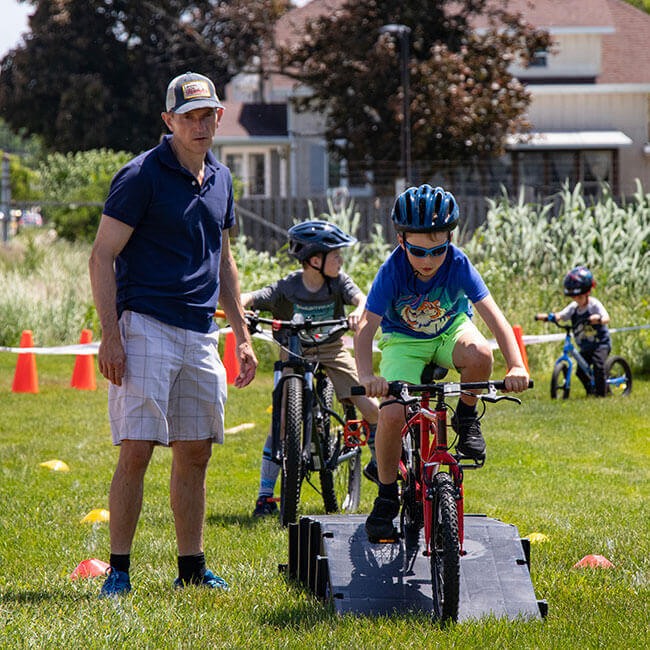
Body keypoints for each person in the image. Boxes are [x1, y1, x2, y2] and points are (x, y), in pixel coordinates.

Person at [89, 71, 257, 597]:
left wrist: (243, 335)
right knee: (137, 448)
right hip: (144, 328)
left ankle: (191, 570)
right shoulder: (140, 176)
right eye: (189, 117)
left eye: (208, 115)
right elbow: (101, 256)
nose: (200, 124)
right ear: (169, 121)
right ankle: (118, 572)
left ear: (219, 117)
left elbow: (223, 262)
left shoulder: (222, 180)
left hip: (201, 332)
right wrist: (110, 335)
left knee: (195, 452)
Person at [354, 184, 530, 541]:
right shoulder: (391, 271)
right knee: (390, 414)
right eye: (418, 251)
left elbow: (494, 317)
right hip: (404, 340)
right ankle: (387, 494)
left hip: (450, 330)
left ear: (451, 238)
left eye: (438, 250)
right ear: (402, 242)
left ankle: (465, 416)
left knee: (482, 355)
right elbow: (364, 328)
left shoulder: (459, 263)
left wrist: (516, 366)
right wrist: (368, 376)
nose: (429, 260)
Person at [241, 220, 380, 516]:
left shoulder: (339, 282)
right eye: (336, 255)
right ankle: (265, 495)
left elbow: (362, 299)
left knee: (370, 405)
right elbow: (251, 297)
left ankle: (382, 465)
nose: (341, 261)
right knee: (280, 420)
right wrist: (239, 307)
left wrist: (358, 310)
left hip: (332, 349)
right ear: (315, 260)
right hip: (294, 349)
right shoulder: (287, 287)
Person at [535, 266, 611, 396]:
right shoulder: (574, 307)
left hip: (600, 344)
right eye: (575, 298)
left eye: (579, 297)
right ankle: (590, 391)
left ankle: (602, 394)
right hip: (586, 346)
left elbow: (606, 318)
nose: (576, 300)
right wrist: (549, 317)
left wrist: (598, 318)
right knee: (580, 371)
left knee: (599, 366)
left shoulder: (594, 305)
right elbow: (562, 315)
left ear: (586, 293)